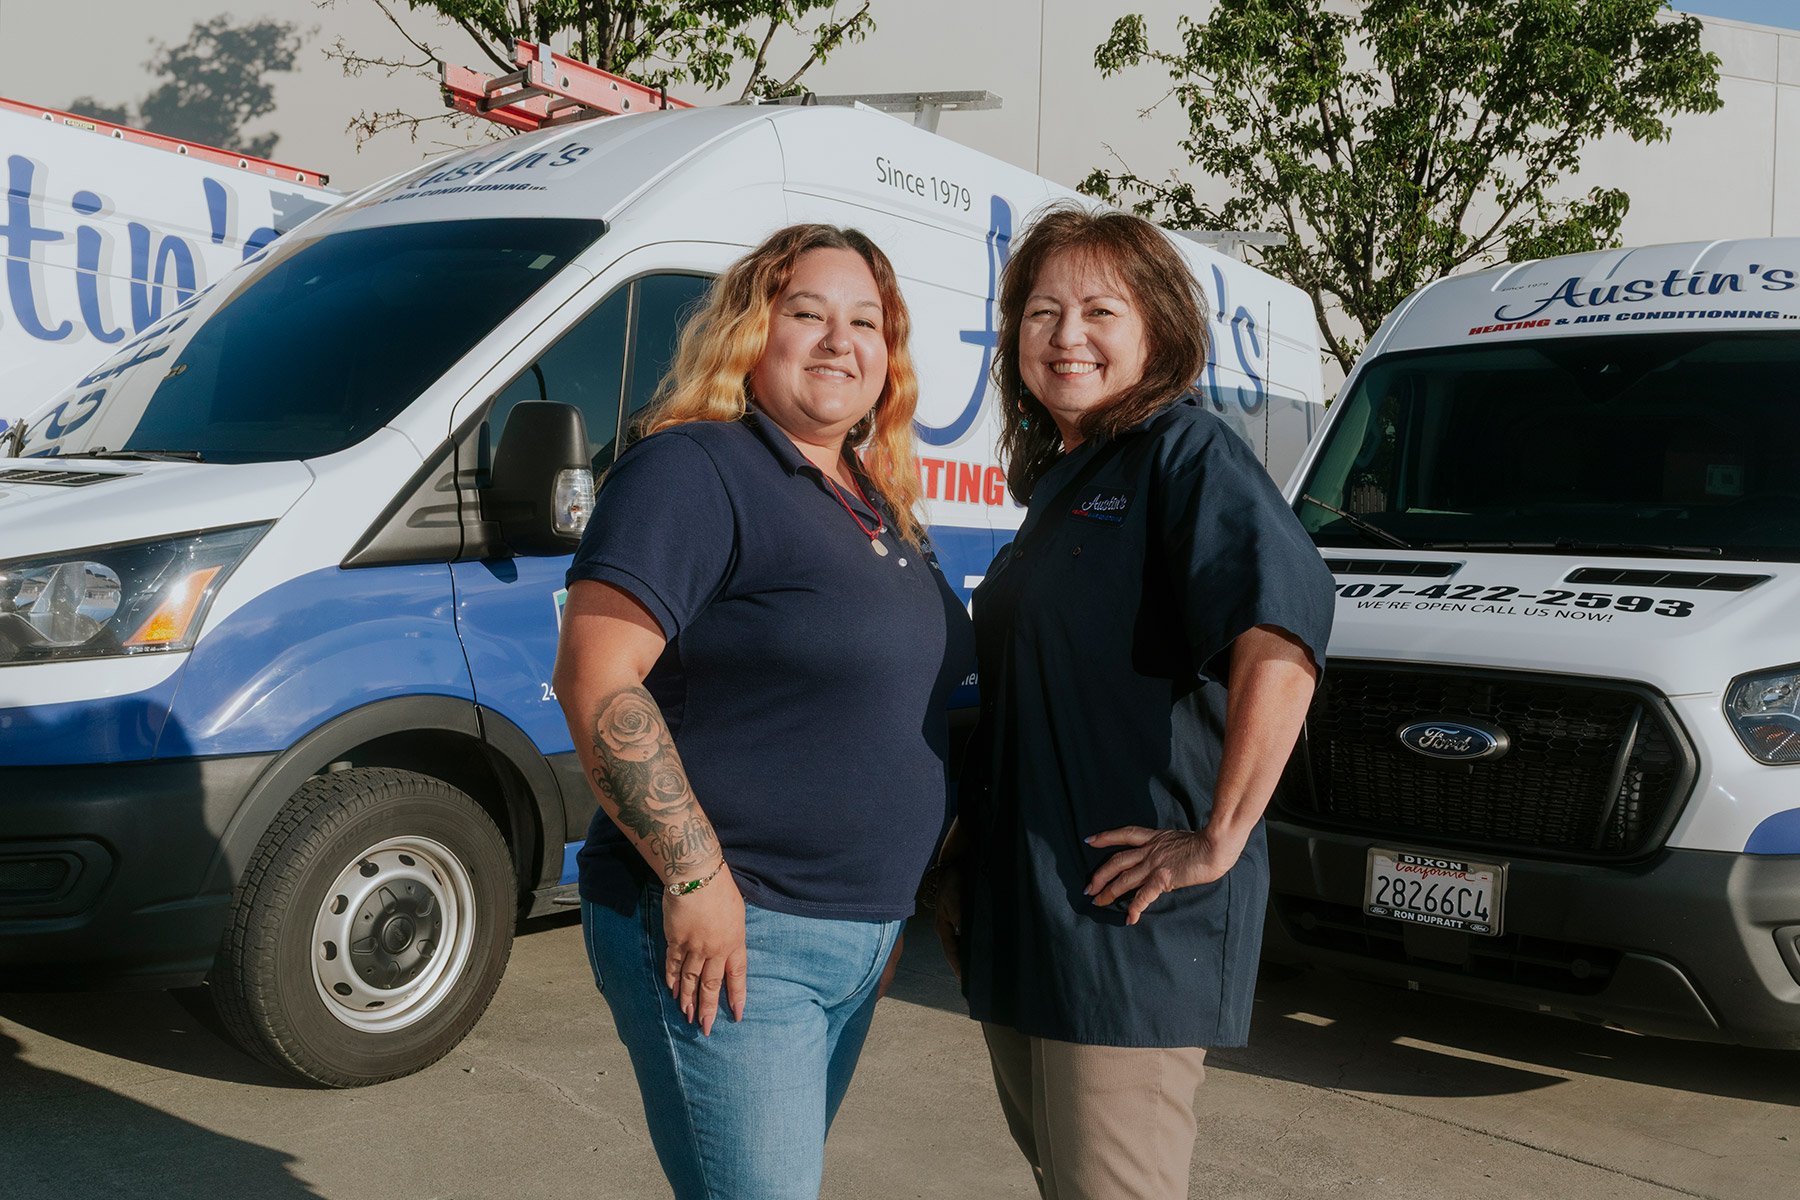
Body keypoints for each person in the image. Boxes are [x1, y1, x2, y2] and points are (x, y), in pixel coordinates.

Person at [553, 224, 974, 1200]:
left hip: (852, 937)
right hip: (734, 932)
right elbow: (597, 677)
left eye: (866, 321)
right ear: (752, 330)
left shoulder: (877, 503)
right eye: (809, 313)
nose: (840, 340)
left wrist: (901, 888)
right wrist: (696, 881)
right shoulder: (696, 469)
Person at [928, 203, 1334, 1200]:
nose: (1067, 335)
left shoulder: (1183, 454)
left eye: (1100, 310)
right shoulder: (1066, 479)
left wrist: (1219, 836)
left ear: (1157, 329)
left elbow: (1281, 633)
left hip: (1127, 924)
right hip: (1031, 916)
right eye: (1041, 311)